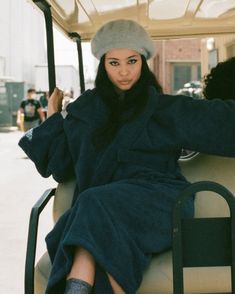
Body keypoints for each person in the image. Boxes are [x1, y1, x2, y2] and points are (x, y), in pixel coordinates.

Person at [18, 19, 235, 294]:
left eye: (132, 61)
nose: (124, 72)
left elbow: (220, 122)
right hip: (102, 211)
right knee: (99, 226)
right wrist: (53, 116)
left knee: (92, 205)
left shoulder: (163, 108)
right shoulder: (84, 112)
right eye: (114, 63)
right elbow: (60, 167)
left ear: (143, 62)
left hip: (159, 202)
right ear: (103, 65)